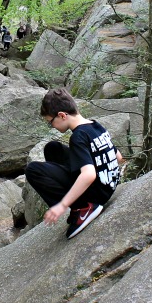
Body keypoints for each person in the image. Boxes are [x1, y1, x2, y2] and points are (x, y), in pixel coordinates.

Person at [25, 88, 122, 239]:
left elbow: (89, 175)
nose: (53, 127)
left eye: (51, 123)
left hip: (96, 195)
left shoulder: (78, 136)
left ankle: (82, 207)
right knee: (53, 148)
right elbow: (118, 156)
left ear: (62, 115)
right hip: (109, 184)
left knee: (33, 170)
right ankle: (81, 200)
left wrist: (61, 205)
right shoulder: (96, 126)